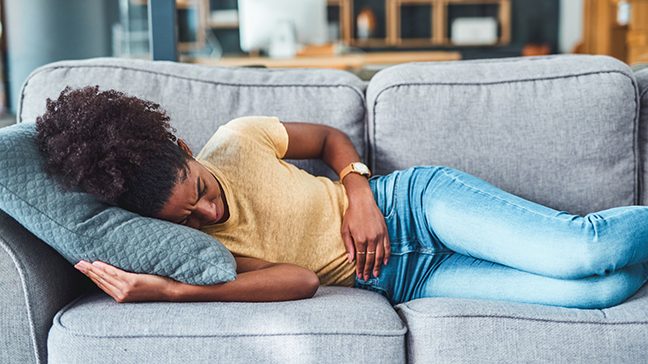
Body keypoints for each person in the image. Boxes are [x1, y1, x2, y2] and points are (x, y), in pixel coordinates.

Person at [36, 86, 648, 309]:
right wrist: (171, 291)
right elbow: (301, 282)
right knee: (597, 291)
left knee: (581, 253)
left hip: (412, 204)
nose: (209, 213)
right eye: (190, 217)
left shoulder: (239, 140)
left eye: (199, 191)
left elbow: (330, 138)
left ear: (185, 147)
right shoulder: (186, 248)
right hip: (404, 281)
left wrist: (358, 190)